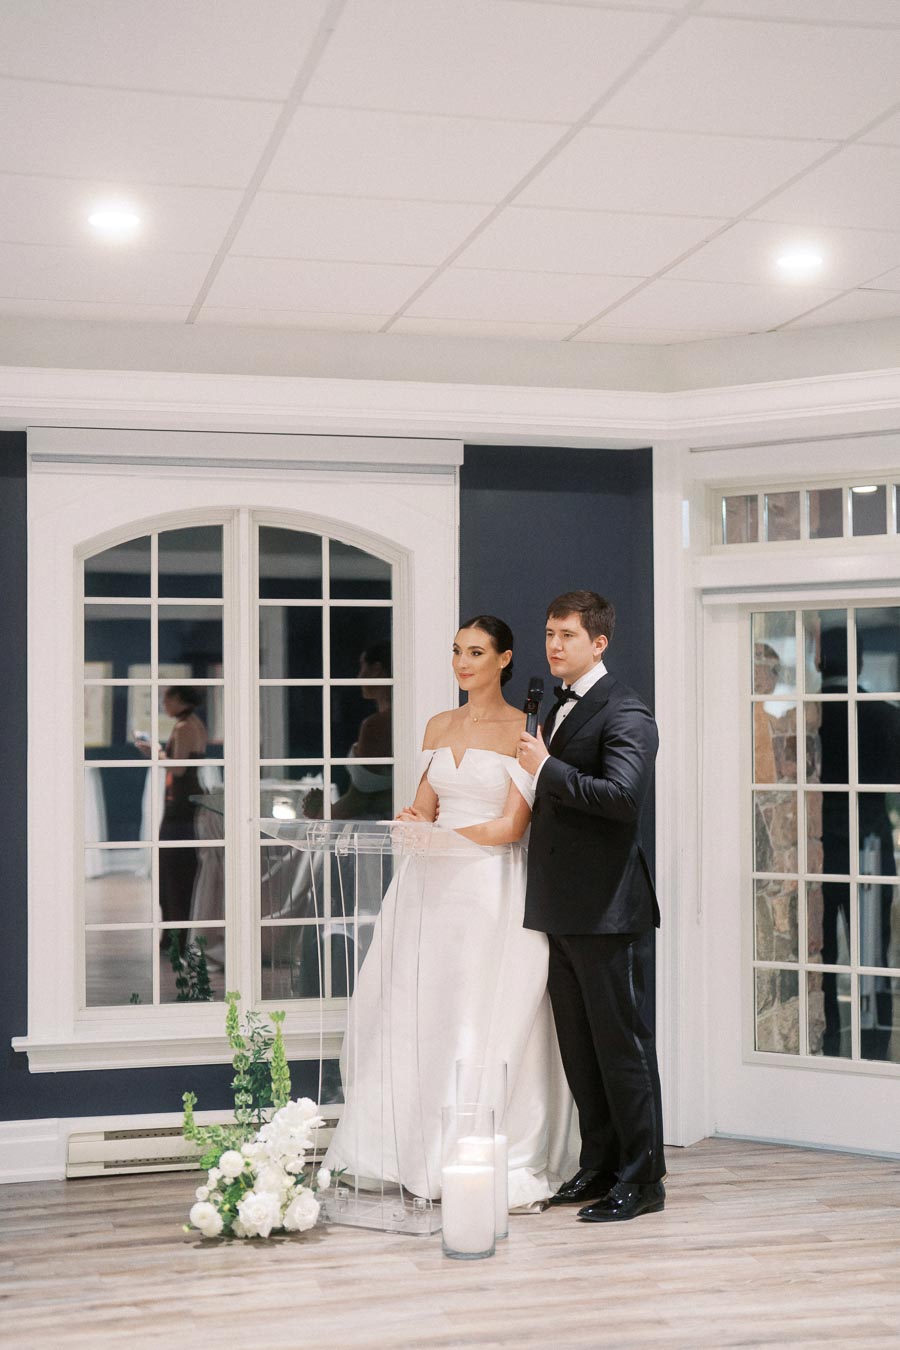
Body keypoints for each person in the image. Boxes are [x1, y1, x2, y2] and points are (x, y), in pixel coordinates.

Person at [324, 616, 576, 1206]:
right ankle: (403, 1146)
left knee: (471, 1009)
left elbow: (514, 825)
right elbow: (422, 807)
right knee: (419, 1007)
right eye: (457, 651)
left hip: (486, 886)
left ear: (504, 660)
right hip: (428, 884)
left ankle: (466, 1152)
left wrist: (447, 837)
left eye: (477, 652)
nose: (463, 663)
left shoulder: (525, 729)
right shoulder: (440, 725)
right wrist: (414, 823)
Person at [518, 591, 665, 1223]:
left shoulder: (627, 711)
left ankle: (644, 1179)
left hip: (610, 912)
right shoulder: (555, 705)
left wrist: (546, 766)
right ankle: (600, 1164)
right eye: (549, 633)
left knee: (622, 1049)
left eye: (567, 636)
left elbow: (622, 800)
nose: (554, 645)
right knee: (580, 1050)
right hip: (561, 906)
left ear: (598, 643)